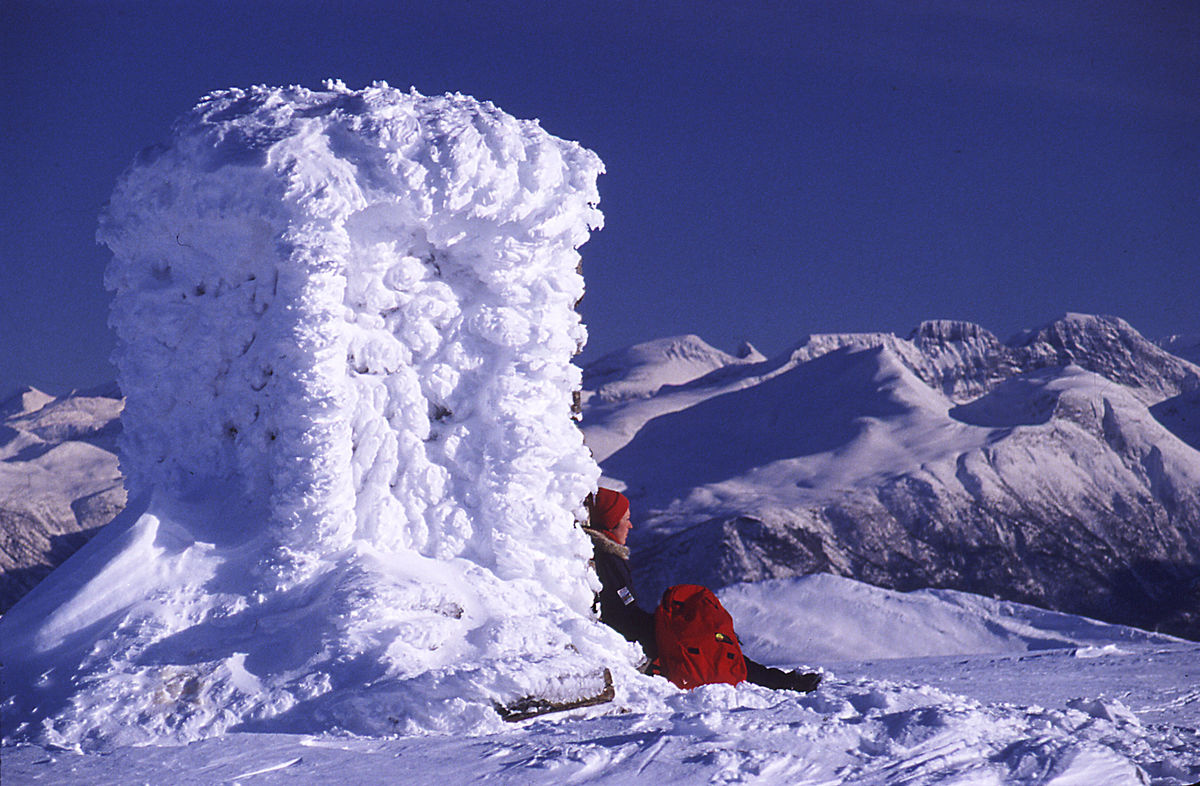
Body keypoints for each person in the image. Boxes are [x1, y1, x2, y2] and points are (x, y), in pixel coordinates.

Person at [584, 488, 821, 693]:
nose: (631, 525)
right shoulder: (608, 560)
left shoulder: (607, 557)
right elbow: (623, 617)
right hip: (640, 640)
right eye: (626, 518)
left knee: (712, 640)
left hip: (639, 635)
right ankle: (784, 682)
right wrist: (667, 625)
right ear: (610, 522)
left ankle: (783, 681)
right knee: (712, 642)